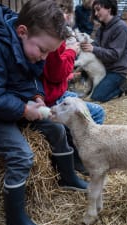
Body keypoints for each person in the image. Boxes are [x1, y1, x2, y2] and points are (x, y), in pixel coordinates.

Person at [0, 1, 87, 225]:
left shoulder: (31, 46)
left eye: (49, 53)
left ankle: (67, 175)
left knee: (57, 128)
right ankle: (15, 217)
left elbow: (35, 76)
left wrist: (37, 96)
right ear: (22, 32)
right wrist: (22, 109)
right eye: (42, 51)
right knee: (22, 155)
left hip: (17, 106)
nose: (44, 57)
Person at [42, 0, 105, 175]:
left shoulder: (52, 33)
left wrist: (69, 71)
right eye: (66, 14)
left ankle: (81, 153)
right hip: (52, 95)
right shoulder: (53, 36)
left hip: (56, 90)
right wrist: (71, 51)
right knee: (97, 112)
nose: (69, 17)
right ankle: (80, 157)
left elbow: (56, 72)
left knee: (91, 105)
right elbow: (55, 73)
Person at [79, 0, 127, 102]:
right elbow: (97, 45)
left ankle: (123, 85)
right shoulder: (102, 28)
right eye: (94, 10)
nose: (95, 13)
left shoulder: (121, 28)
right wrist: (87, 46)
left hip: (116, 71)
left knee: (97, 97)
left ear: (109, 8)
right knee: (87, 89)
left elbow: (114, 54)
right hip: (102, 67)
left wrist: (93, 49)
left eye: (98, 9)